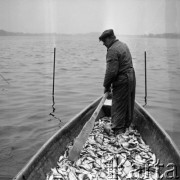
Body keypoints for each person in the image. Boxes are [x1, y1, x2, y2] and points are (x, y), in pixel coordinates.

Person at [99, 29, 136, 135]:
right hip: (131, 77)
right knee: (128, 103)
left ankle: (118, 130)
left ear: (109, 39)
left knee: (118, 105)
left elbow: (111, 72)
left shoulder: (112, 50)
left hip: (122, 80)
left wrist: (106, 86)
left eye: (104, 41)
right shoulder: (123, 45)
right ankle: (126, 125)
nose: (104, 44)